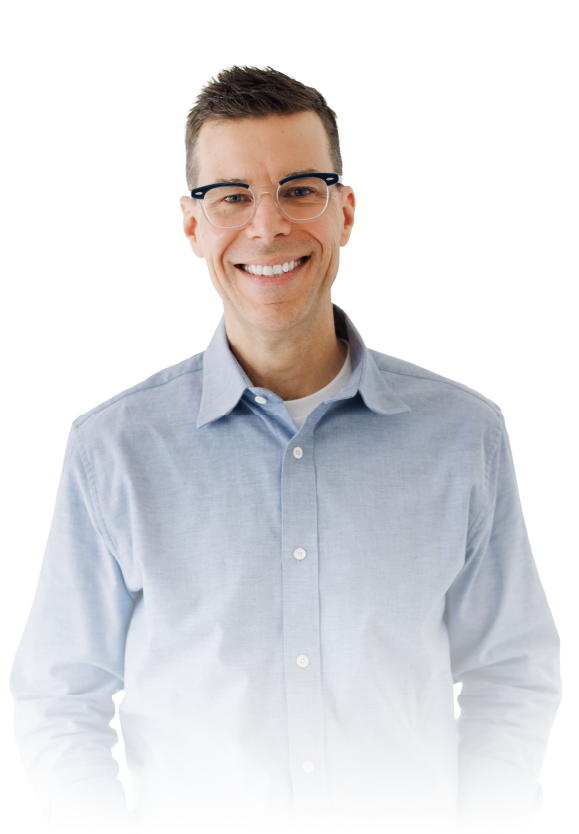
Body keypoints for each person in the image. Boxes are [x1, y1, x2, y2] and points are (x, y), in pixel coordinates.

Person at [10, 64, 561, 834]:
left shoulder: (463, 436)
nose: (267, 225)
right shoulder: (113, 451)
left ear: (345, 211)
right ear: (191, 225)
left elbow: (510, 676)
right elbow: (59, 699)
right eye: (231, 195)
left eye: (300, 189)